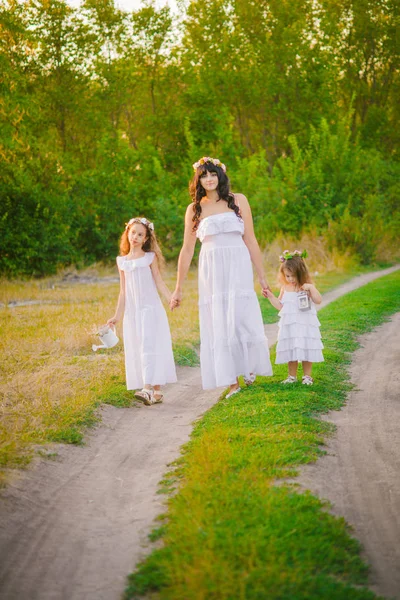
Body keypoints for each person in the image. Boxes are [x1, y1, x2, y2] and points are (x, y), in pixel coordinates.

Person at [170, 156, 272, 397]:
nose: (209, 179)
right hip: (212, 268)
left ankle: (248, 366)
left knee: (240, 316)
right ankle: (232, 381)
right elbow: (187, 250)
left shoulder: (239, 201)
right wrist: (178, 288)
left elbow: (251, 239)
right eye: (204, 176)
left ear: (221, 175)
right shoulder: (194, 209)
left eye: (213, 174)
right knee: (220, 319)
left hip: (237, 262)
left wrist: (262, 276)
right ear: (198, 180)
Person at [108, 217, 177, 405]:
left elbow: (158, 281)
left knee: (149, 345)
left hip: (150, 309)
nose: (136, 237)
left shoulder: (149, 258)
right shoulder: (122, 261)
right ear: (127, 234)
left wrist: (171, 297)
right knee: (140, 347)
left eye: (140, 234)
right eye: (133, 233)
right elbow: (123, 292)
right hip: (133, 313)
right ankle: (157, 391)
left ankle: (146, 389)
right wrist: (117, 316)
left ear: (146, 238)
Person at [263, 249, 323, 385]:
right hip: (290, 324)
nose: (290, 279)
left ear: (301, 273)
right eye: (287, 276)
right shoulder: (285, 288)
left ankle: (307, 376)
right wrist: (270, 296)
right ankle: (292, 376)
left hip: (305, 323)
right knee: (291, 348)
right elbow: (280, 306)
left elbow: (318, 300)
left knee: (307, 347)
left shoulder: (307, 287)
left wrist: (311, 289)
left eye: (293, 276)